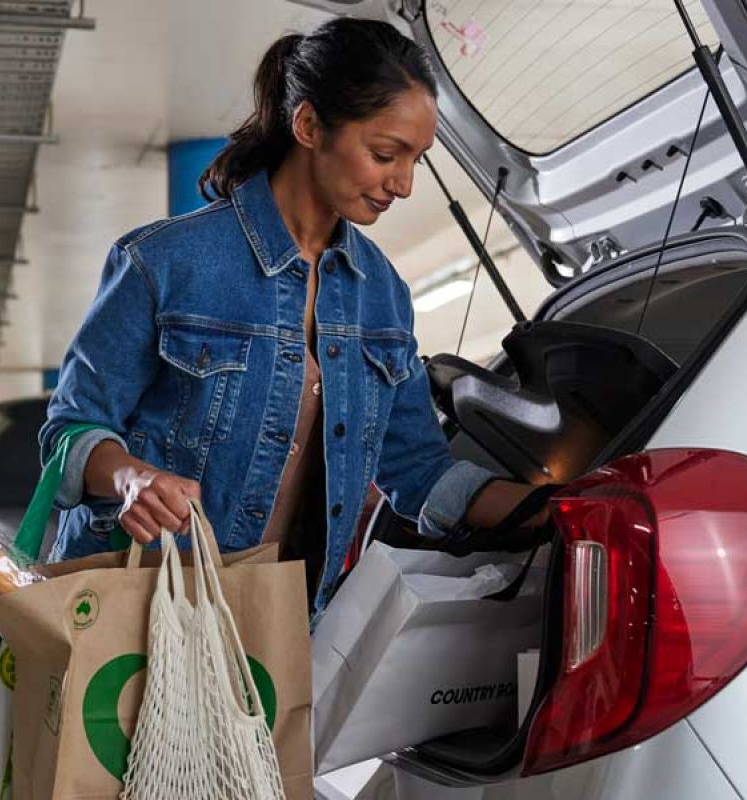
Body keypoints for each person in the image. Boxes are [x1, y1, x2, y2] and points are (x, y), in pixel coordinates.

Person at [41, 17, 552, 616]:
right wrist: (130, 478)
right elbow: (68, 433)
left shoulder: (383, 295)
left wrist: (562, 508)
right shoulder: (164, 262)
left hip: (279, 628)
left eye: (417, 159)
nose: (405, 184)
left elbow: (420, 474)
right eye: (386, 154)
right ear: (308, 125)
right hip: (135, 612)